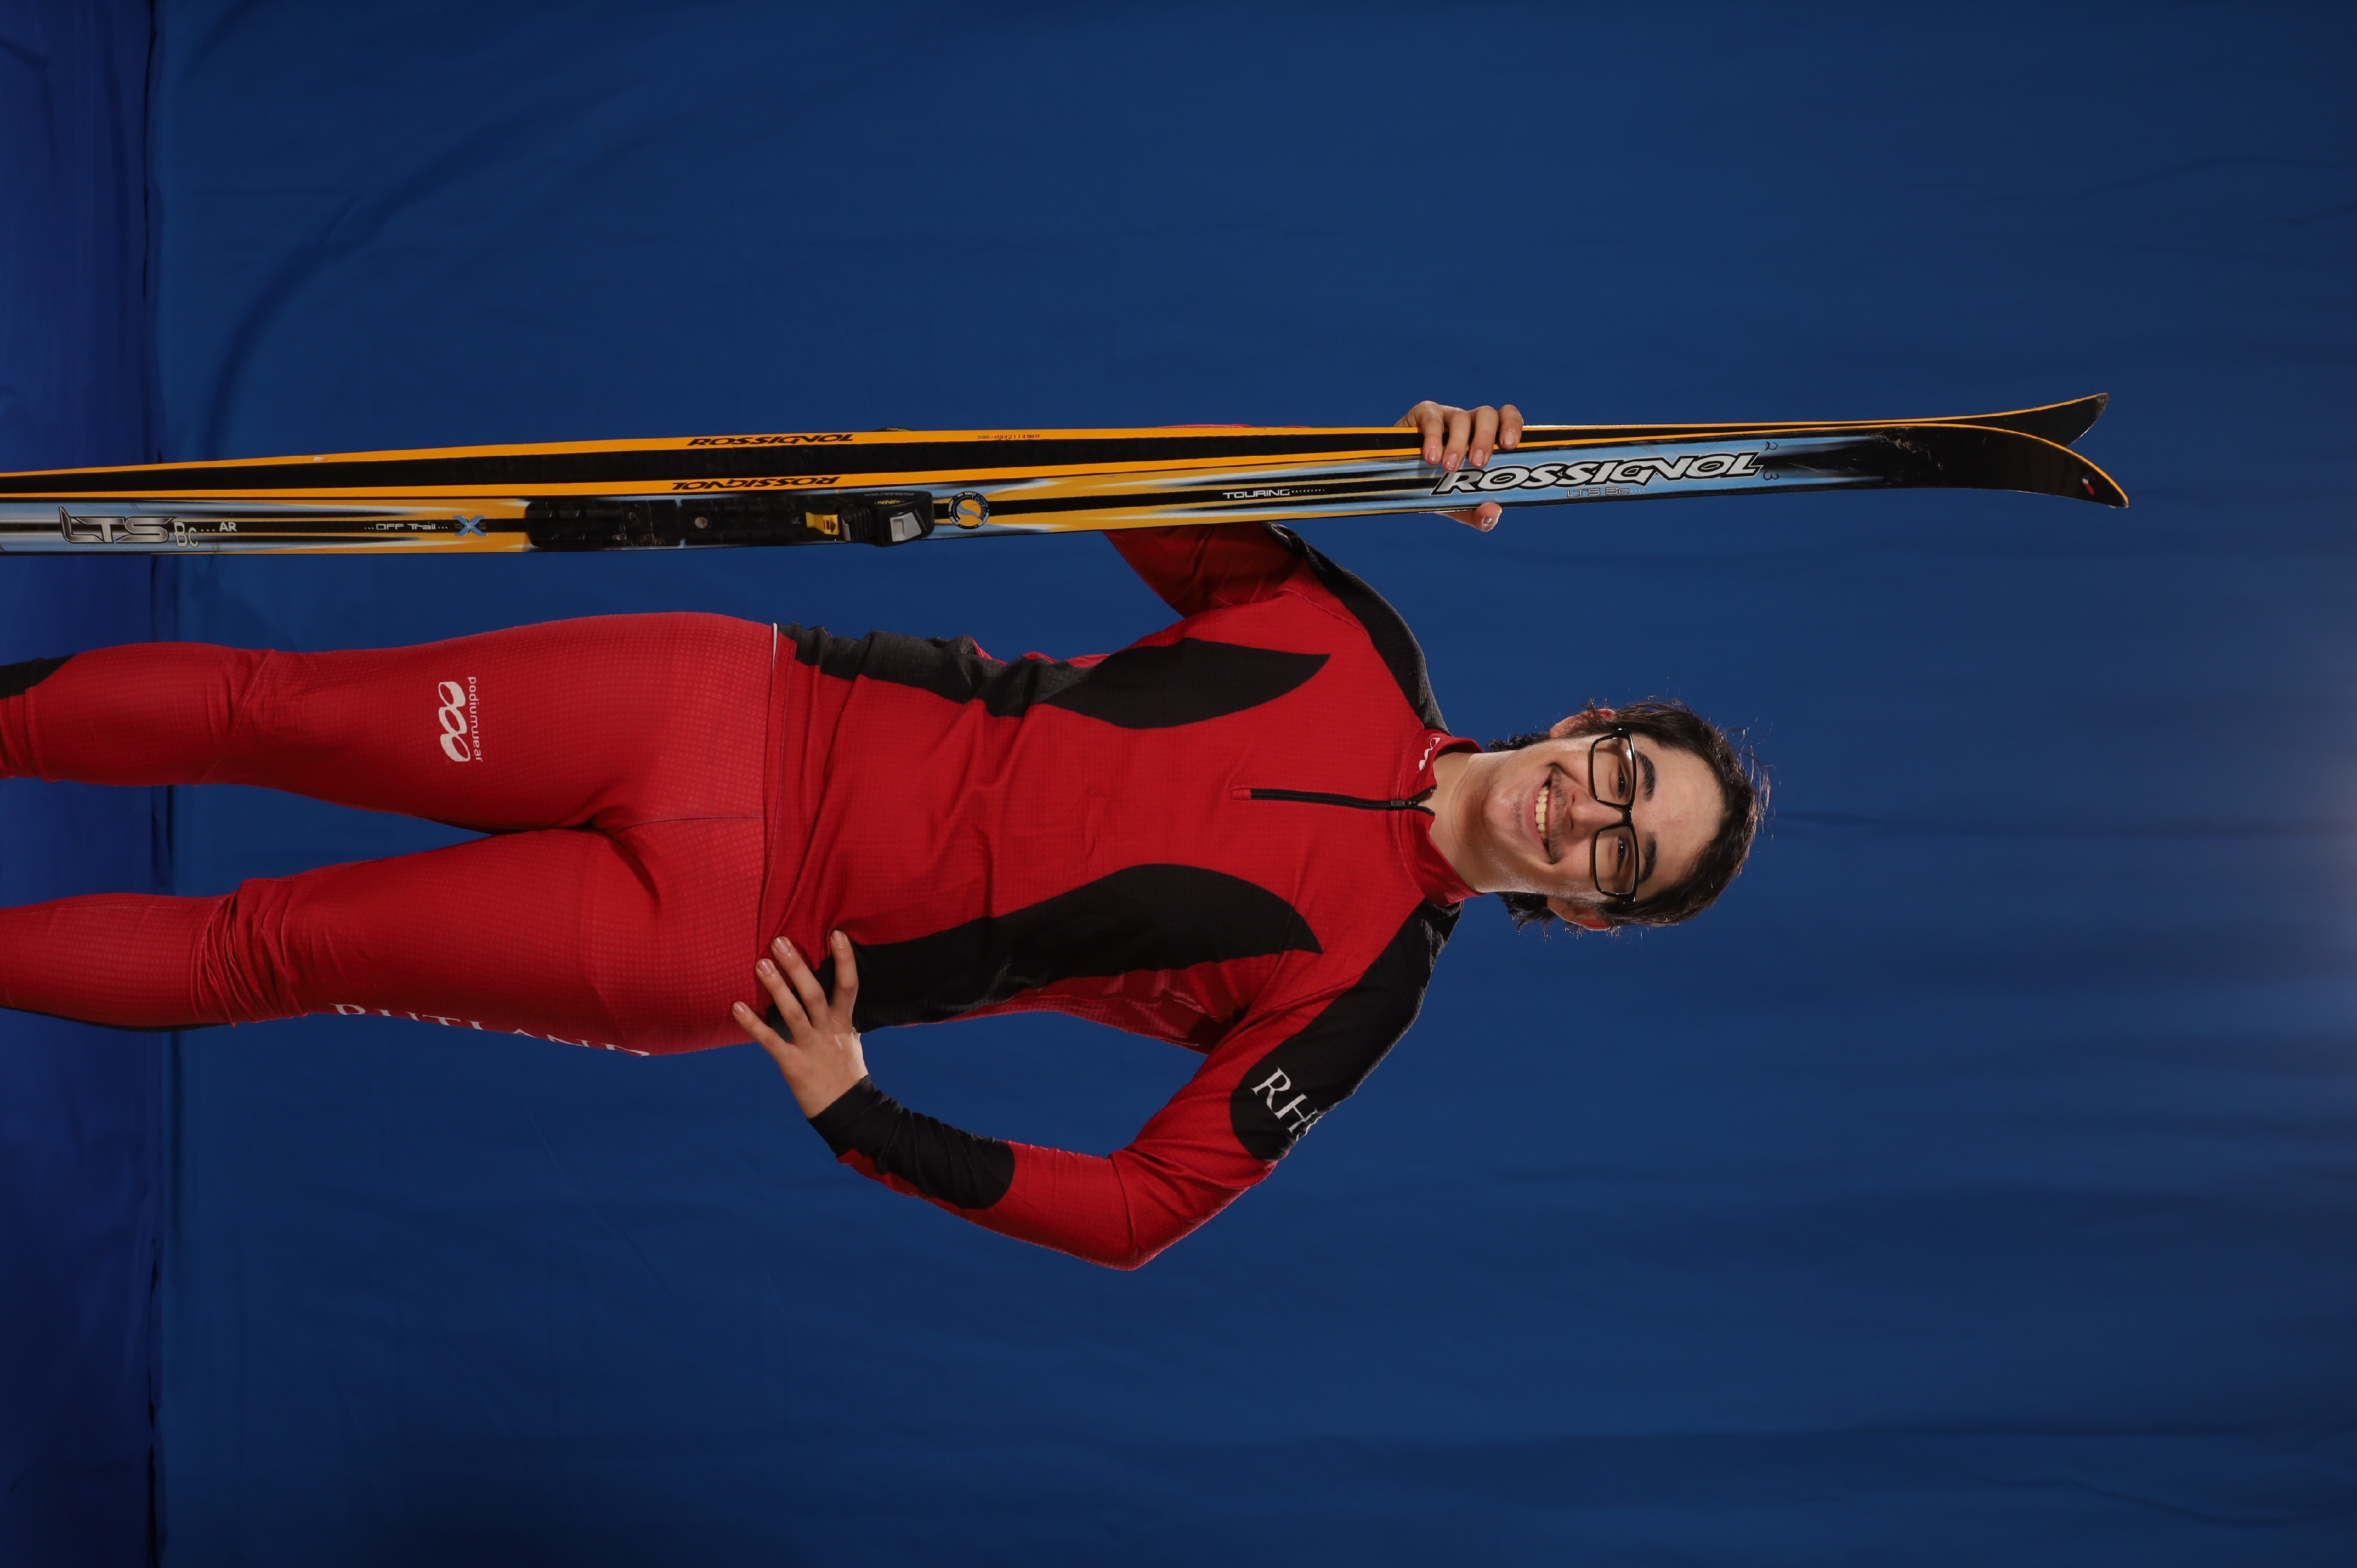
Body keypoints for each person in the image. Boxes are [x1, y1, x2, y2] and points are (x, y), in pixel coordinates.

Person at [0, 401, 1763, 1268]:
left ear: (1591, 918)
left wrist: (864, 1118)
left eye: (1626, 854)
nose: (1589, 817)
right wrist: (1381, 461)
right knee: (283, 709)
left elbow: (1143, 1210)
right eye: (1621, 775)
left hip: (720, 935)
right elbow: (1118, 477)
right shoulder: (1355, 639)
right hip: (734, 705)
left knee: (273, 946)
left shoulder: (1362, 997)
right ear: (1588, 722)